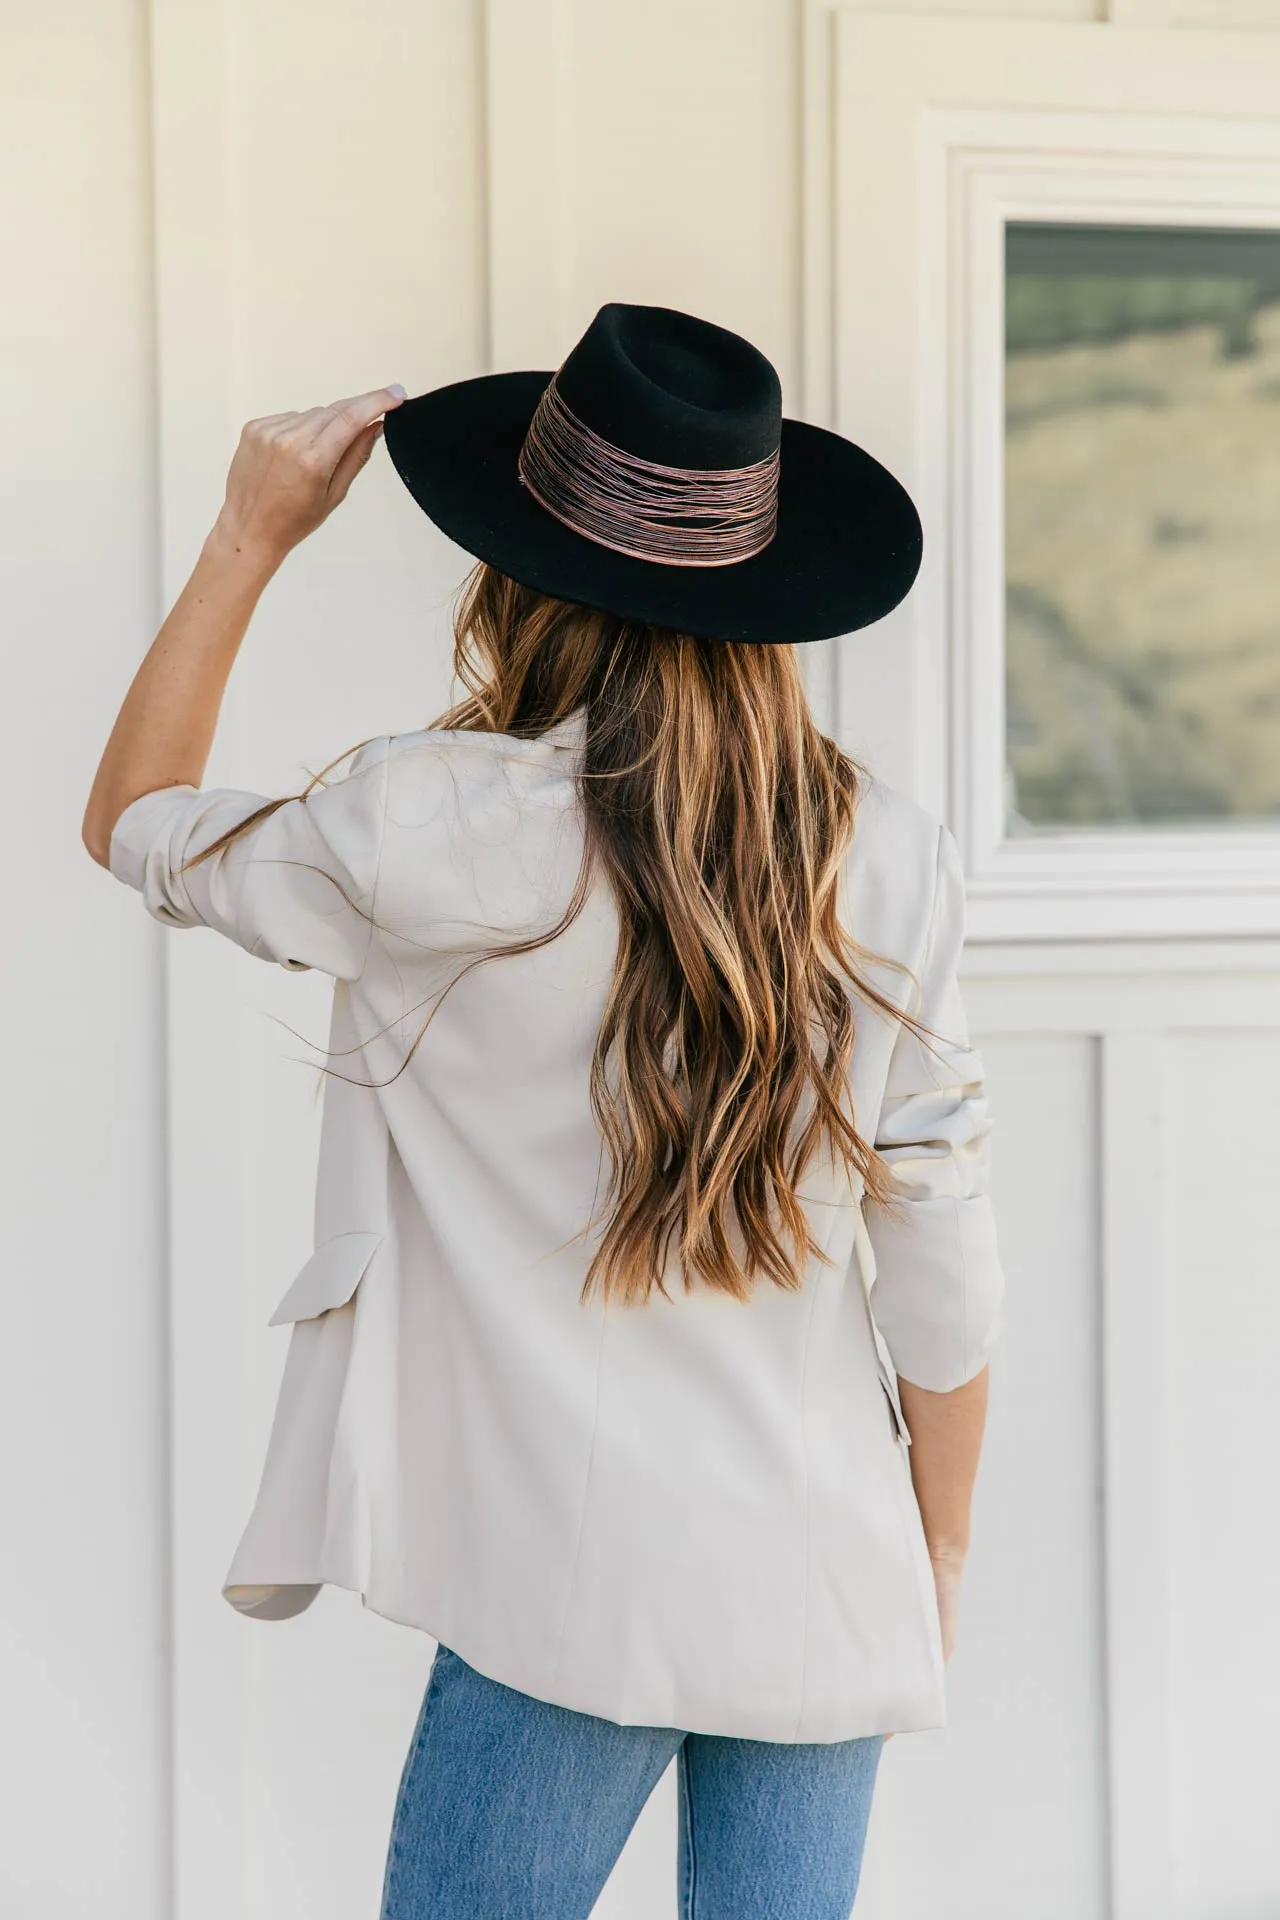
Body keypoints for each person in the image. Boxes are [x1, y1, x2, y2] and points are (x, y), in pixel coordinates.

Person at [84, 303, 1005, 1920]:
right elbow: (944, 1268)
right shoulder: (890, 853)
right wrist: (929, 1554)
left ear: (515, 572)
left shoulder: (430, 828)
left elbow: (138, 822)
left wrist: (248, 534)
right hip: (827, 1565)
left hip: (568, 1591)